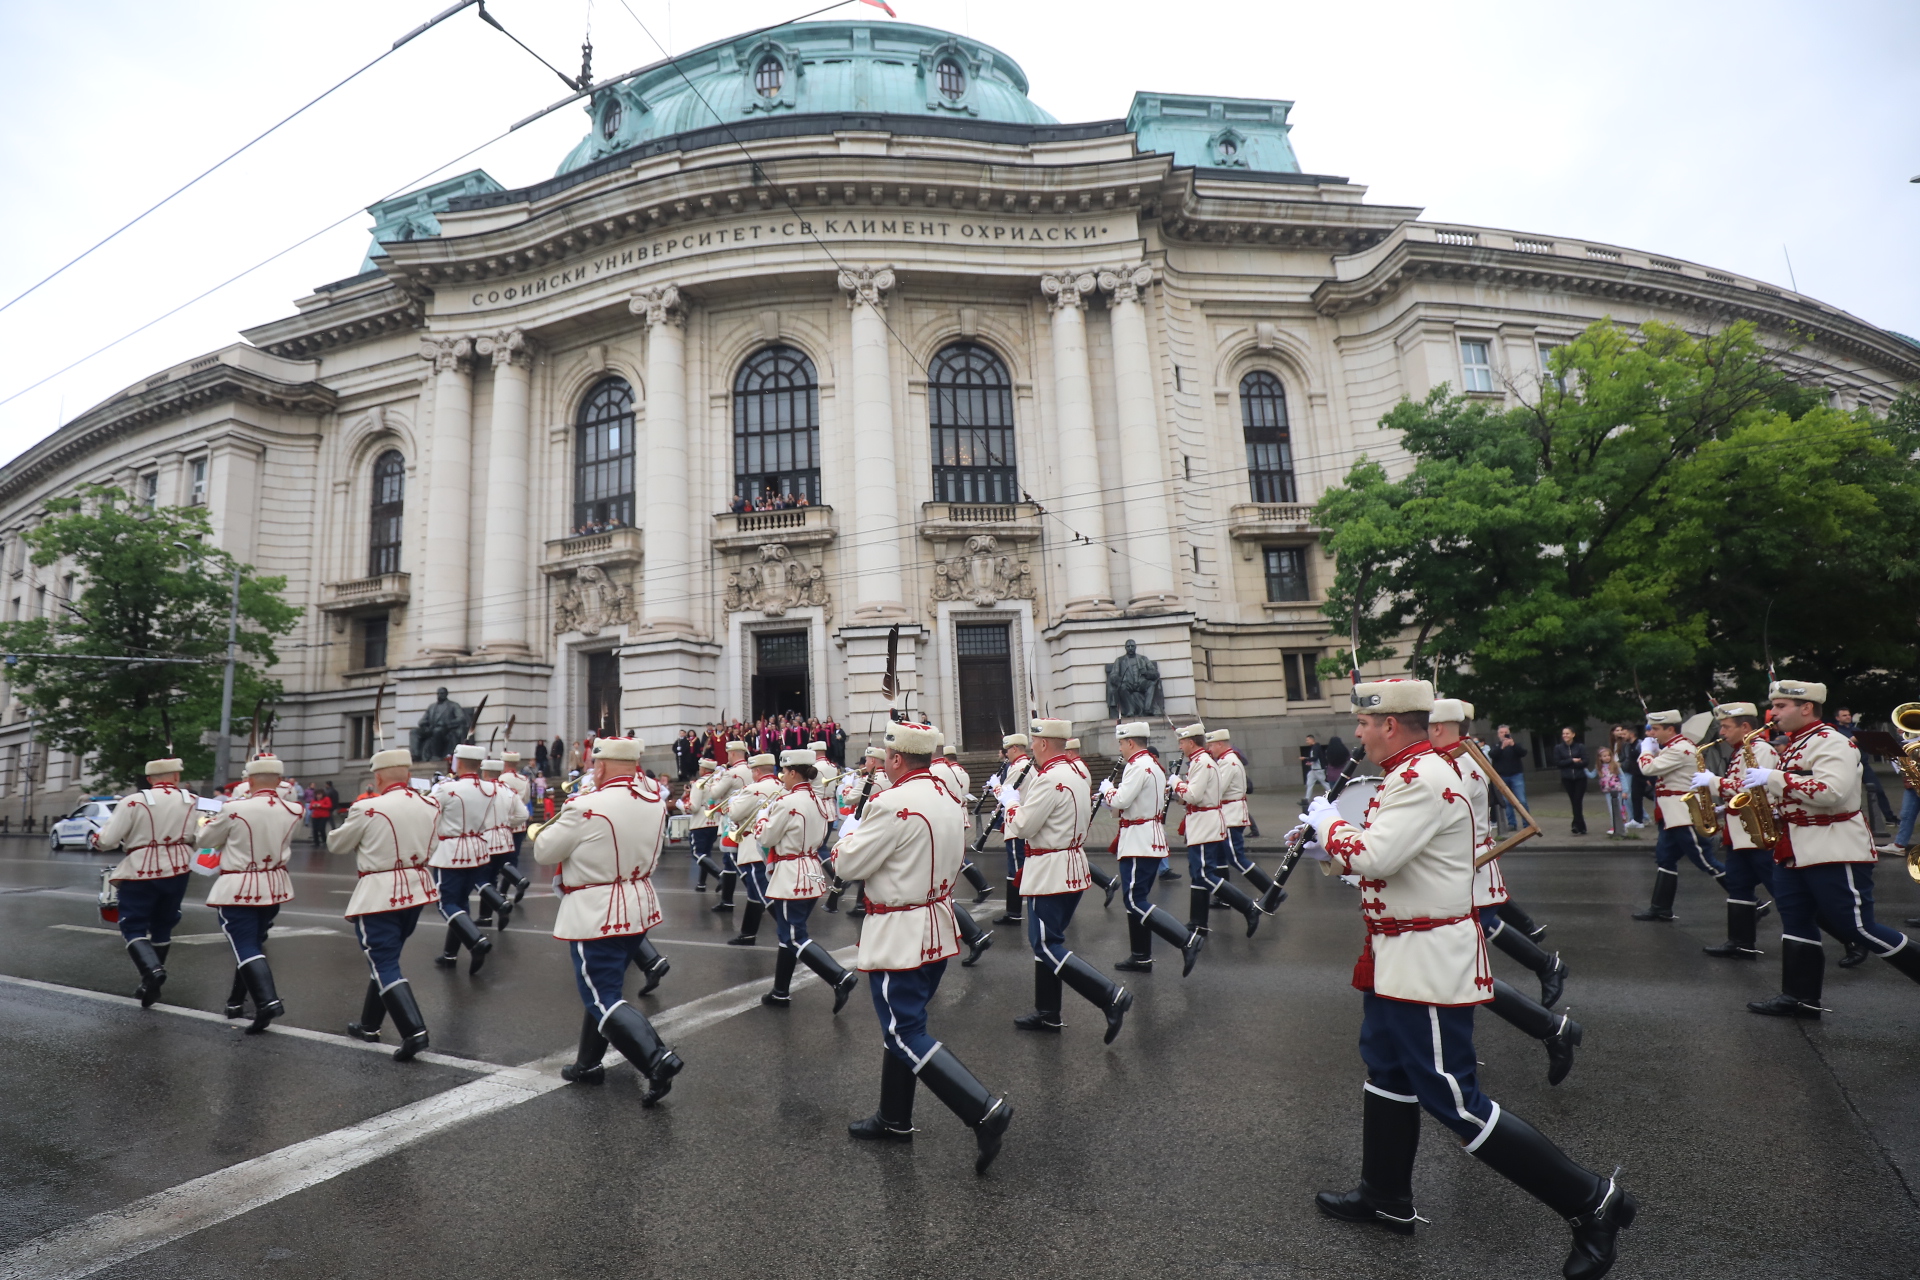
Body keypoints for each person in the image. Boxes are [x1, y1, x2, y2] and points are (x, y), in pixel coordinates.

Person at [1307, 678, 1635, 1277]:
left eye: (1364, 723)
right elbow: (1394, 862)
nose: (1357, 733)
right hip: (1398, 951)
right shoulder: (1414, 772)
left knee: (1453, 1098)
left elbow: (1376, 858)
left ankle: (1593, 1202)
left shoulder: (1419, 778)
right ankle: (1385, 1194)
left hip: (1425, 958)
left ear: (1390, 725)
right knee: (1386, 1068)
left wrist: (1329, 825)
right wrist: (1335, 846)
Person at [838, 720, 1013, 1173]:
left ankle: (985, 1111)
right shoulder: (946, 795)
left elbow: (851, 865)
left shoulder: (891, 802)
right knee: (905, 1023)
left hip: (900, 932)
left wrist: (845, 837)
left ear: (896, 759)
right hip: (934, 923)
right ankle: (894, 1117)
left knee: (903, 1031)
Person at [1744, 680, 1920, 1017]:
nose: (1773, 713)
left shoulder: (1830, 742)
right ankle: (1799, 997)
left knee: (1858, 927)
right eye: (1774, 706)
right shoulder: (1797, 745)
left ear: (1806, 707)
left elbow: (1832, 792)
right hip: (1795, 848)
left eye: (1781, 706)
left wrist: (1773, 779)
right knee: (1795, 922)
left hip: (1834, 849)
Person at [1429, 700, 1580, 1086]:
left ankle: (1549, 1026)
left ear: (1441, 726)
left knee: (1460, 970)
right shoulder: (1461, 758)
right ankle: (1544, 1002)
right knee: (1456, 967)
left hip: (1464, 872)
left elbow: (1434, 824)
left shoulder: (1456, 765)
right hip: (1463, 872)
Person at [537, 737, 685, 1103]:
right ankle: (587, 1064)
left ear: (599, 767)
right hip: (638, 904)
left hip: (598, 910)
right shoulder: (654, 799)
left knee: (602, 997)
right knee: (606, 989)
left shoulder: (585, 805)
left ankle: (657, 1059)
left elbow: (543, 850)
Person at [1001, 719, 1132, 1042]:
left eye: (1034, 742)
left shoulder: (1049, 779)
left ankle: (1110, 995)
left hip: (1050, 870)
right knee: (1048, 943)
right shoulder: (1076, 771)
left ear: (1044, 744)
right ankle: (1048, 1012)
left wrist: (1010, 802)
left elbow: (1024, 826)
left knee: (1045, 944)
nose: (1031, 747)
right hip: (1070, 865)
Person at [331, 747, 439, 1061]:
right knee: (386, 958)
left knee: (384, 962)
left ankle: (414, 1032)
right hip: (417, 890)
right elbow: (433, 843)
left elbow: (336, 843)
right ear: (407, 774)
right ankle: (369, 1025)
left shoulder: (368, 808)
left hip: (380, 892)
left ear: (377, 777)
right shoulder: (430, 803)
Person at [199, 755, 302, 1034]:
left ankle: (267, 1002)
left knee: (245, 946)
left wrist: (205, 822)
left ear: (249, 781)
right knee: (252, 946)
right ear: (280, 781)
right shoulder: (294, 809)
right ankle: (236, 1002)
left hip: (239, 886)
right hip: (274, 886)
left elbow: (205, 840)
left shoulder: (233, 809)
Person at [754, 748, 858, 1011]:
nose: (781, 777)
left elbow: (766, 838)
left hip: (792, 874)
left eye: (784, 772)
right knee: (786, 935)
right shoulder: (820, 802)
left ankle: (839, 976)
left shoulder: (787, 802)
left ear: (792, 772)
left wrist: (763, 816)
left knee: (794, 936)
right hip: (811, 870)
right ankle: (780, 991)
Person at [93, 754, 199, 1008]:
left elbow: (107, 841)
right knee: (164, 924)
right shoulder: (195, 801)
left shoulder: (133, 802)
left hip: (141, 869)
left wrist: (96, 839)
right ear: (176, 776)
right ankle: (151, 983)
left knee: (132, 925)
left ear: (150, 779)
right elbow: (208, 830)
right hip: (180, 867)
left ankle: (152, 972)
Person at [1101, 722, 1204, 975]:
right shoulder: (1153, 765)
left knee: (1134, 901)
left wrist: (1108, 791)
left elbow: (1122, 799)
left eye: (1121, 743)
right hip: (1148, 837)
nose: (1120, 748)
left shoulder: (1137, 766)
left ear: (1131, 743)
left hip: (1139, 840)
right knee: (1137, 900)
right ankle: (1141, 956)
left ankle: (1186, 940)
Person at [1694, 702, 1780, 960]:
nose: (1721, 732)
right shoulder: (1741, 750)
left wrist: (1714, 782)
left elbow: (1750, 788)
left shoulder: (1761, 749)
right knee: (1738, 886)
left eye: (1725, 726)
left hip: (1759, 834)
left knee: (1783, 890)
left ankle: (1849, 938)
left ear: (1745, 727)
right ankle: (1740, 943)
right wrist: (1722, 809)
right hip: (1740, 833)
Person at [1632, 711, 1726, 921]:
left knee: (1705, 860)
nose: (1651, 733)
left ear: (1670, 729)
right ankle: (1660, 907)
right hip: (1671, 815)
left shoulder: (1681, 748)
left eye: (1656, 729)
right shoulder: (1674, 747)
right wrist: (1656, 751)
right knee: (1665, 859)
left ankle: (1748, 899)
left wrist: (1646, 751)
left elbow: (1648, 768)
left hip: (1684, 814)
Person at [1171, 723, 1262, 938]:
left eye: (1182, 742)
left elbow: (1193, 795)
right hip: (1200, 823)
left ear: (1191, 742)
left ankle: (1248, 907)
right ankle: (1198, 922)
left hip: (1205, 823)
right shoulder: (1200, 761)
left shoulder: (1202, 762)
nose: (1180, 746)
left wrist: (1176, 783)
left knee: (1204, 874)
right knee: (1197, 873)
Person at [429, 744, 506, 974]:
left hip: (451, 851)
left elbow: (427, 811)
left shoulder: (446, 788)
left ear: (458, 762)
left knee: (446, 903)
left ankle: (476, 942)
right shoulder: (490, 789)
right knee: (461, 903)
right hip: (478, 850)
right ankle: (450, 954)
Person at [1209, 728, 1282, 908]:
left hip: (1231, 816)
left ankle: (1273, 893)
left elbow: (1217, 790)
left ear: (1219, 744)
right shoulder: (1226, 760)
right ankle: (1223, 897)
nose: (1209, 749)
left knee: (1236, 858)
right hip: (1227, 815)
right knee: (1219, 857)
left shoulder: (1227, 762)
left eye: (1211, 745)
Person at [723, 752, 783, 945]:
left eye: (752, 771)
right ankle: (748, 933)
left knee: (762, 890)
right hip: (774, 843)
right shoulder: (782, 786)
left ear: (757, 771)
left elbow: (734, 814)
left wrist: (732, 804)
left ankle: (789, 930)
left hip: (753, 846)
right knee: (753, 892)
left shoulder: (752, 789)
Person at [1833, 707, 1900, 847]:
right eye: (1844, 715)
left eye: (1849, 715)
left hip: (1863, 764)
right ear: (1837, 718)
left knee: (1877, 790)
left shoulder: (1857, 729)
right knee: (1849, 793)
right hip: (1848, 766)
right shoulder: (1835, 732)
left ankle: (1890, 818)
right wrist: (1850, 740)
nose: (1848, 717)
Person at [990, 734, 1037, 926]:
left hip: (1016, 824)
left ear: (1015, 748)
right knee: (1017, 869)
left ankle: (1015, 913)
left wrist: (995, 787)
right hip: (1024, 820)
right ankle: (1013, 912)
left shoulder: (1017, 767)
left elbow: (1005, 795)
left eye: (1007, 750)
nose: (1005, 753)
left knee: (1017, 870)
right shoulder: (1030, 766)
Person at [1552, 728, 1589, 836]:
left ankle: (1576, 825)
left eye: (1567, 733)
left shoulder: (1580, 747)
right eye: (1563, 733)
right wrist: (1572, 760)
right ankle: (1581, 827)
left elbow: (1585, 761)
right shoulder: (1558, 748)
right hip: (1567, 778)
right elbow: (1558, 763)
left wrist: (1570, 764)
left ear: (1573, 734)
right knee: (1574, 801)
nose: (1565, 735)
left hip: (1580, 778)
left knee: (1577, 800)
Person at [1596, 748, 1626, 837]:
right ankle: (1614, 826)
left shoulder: (1615, 766)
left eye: (1609, 755)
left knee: (1619, 808)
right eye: (1604, 756)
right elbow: (1592, 774)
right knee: (1611, 808)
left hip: (1617, 790)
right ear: (1600, 758)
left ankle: (1621, 826)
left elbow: (1623, 778)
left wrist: (1625, 790)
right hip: (1607, 790)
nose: (1607, 758)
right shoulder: (1599, 767)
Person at [1300, 734, 1327, 804]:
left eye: (1307, 740)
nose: (1307, 742)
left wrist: (1305, 758)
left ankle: (1334, 795)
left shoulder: (1315, 748)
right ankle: (1306, 799)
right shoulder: (1315, 747)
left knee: (1325, 784)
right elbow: (1317, 759)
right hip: (1314, 769)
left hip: (1318, 770)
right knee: (1310, 783)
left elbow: (1315, 758)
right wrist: (1311, 763)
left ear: (1312, 740)